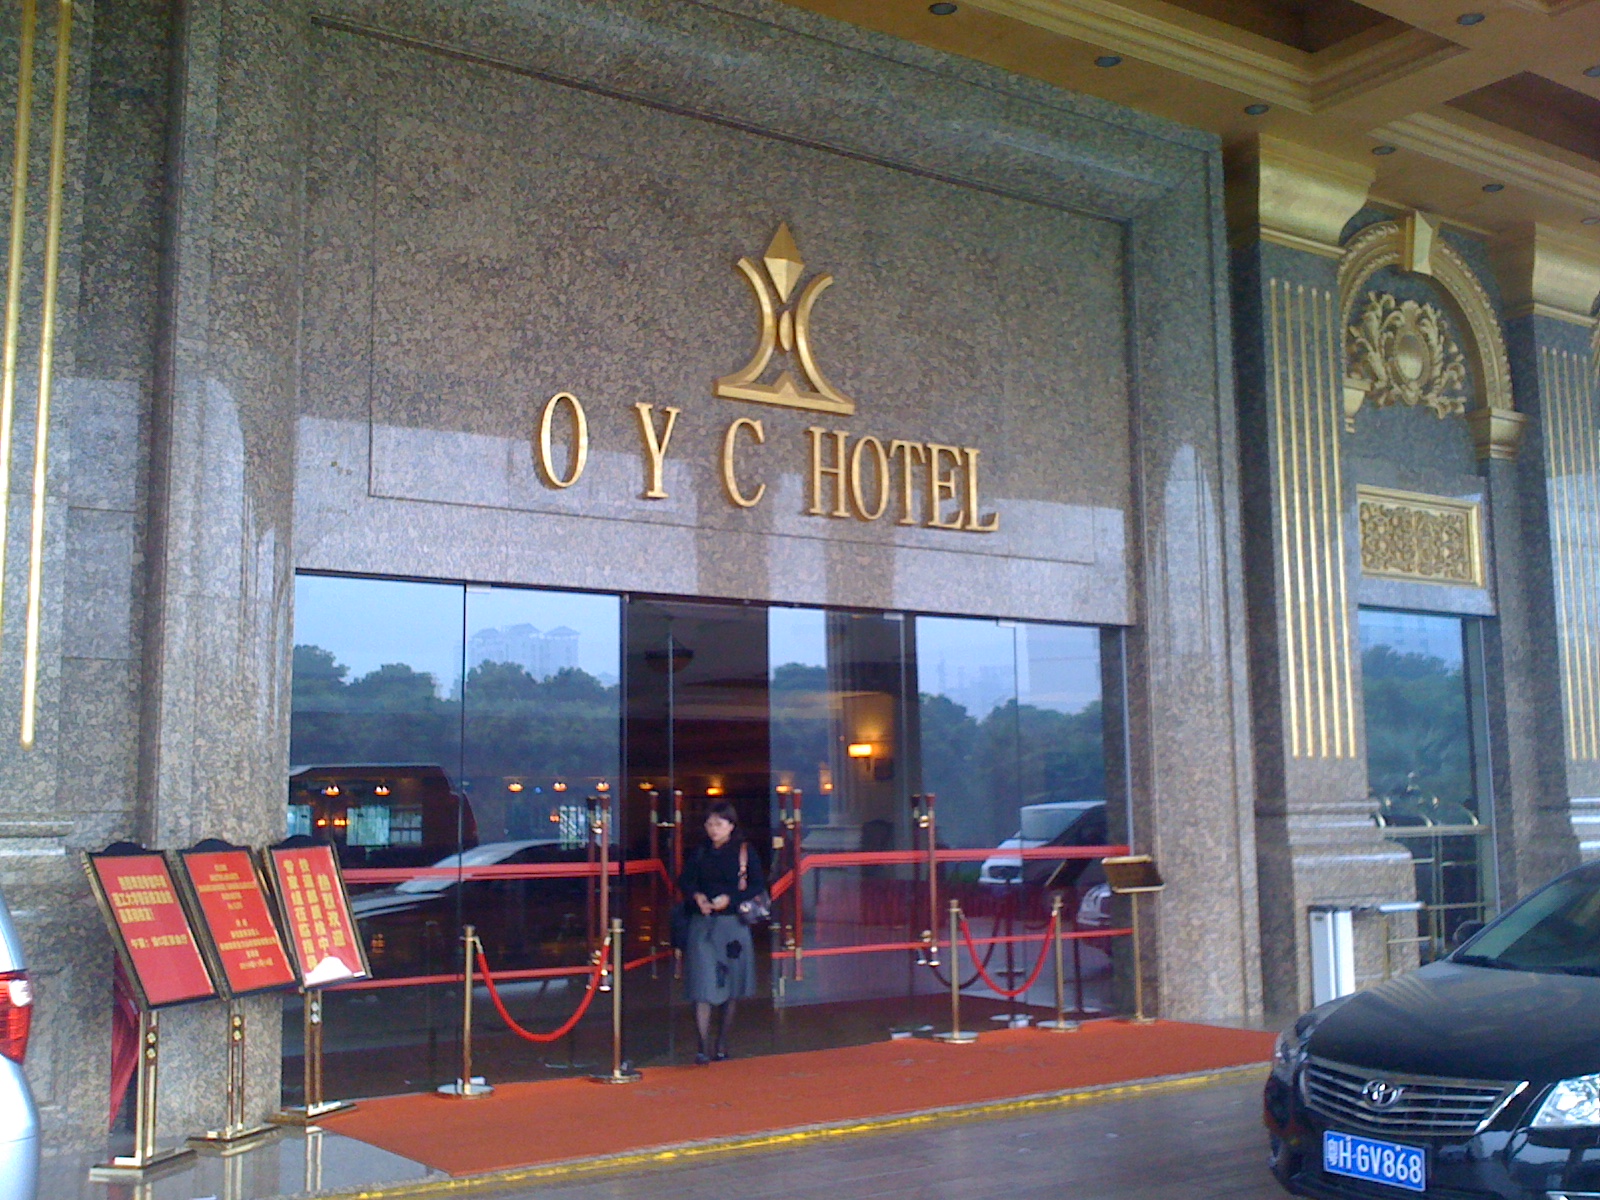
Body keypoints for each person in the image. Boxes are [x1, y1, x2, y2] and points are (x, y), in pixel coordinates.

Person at [677, 800, 765, 1064]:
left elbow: (757, 884)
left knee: (732, 983)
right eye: (709, 824)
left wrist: (731, 899)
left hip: (732, 924)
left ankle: (722, 1043)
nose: (713, 829)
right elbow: (685, 881)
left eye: (719, 824)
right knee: (702, 982)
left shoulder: (744, 851)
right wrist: (697, 897)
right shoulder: (700, 851)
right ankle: (702, 1045)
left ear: (731, 825)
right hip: (703, 923)